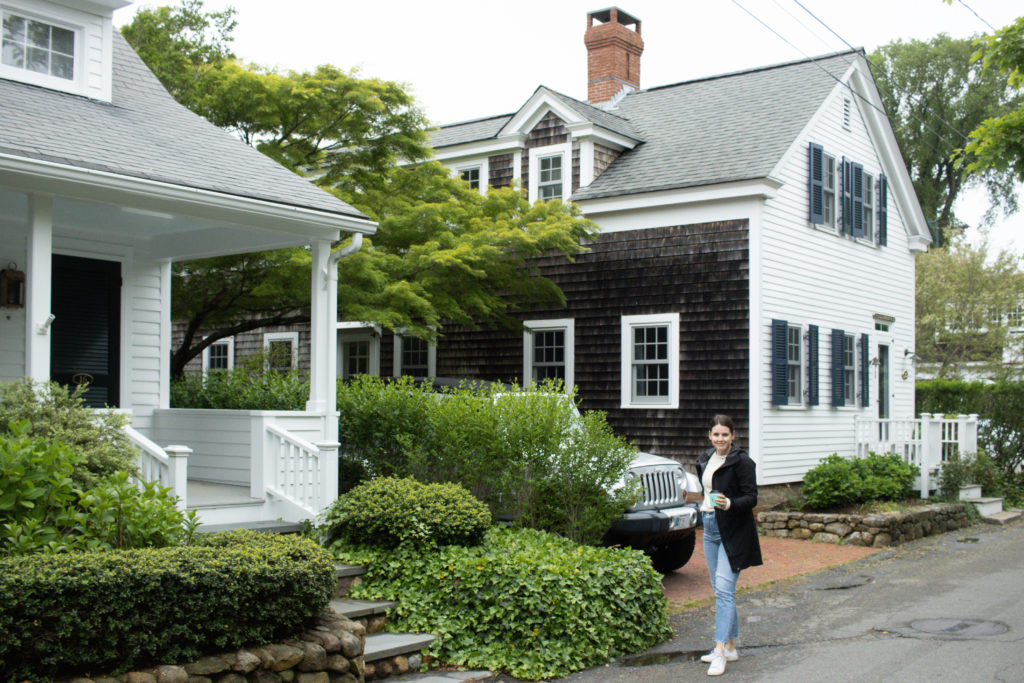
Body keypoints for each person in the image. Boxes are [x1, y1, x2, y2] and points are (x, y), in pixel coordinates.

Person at [695, 414, 762, 676]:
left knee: (724, 590)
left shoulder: (743, 462)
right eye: (716, 434)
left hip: (733, 531)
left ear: (733, 435)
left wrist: (731, 503)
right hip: (710, 528)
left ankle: (719, 651)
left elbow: (751, 497)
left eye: (725, 434)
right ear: (709, 435)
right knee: (720, 590)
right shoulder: (706, 459)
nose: (720, 439)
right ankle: (731, 646)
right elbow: (707, 493)